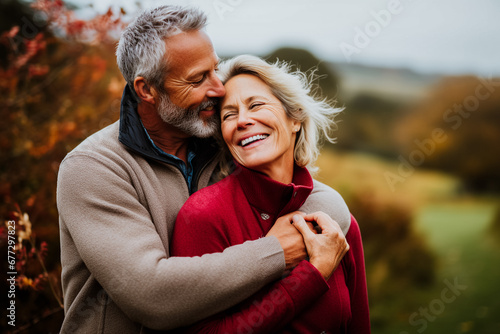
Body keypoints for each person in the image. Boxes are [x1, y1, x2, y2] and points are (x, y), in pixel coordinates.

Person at [56, 5, 351, 333]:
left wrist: (321, 221)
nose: (219, 89)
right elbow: (153, 297)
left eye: (215, 69)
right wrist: (278, 251)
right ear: (147, 90)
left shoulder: (218, 135)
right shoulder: (93, 168)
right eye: (198, 79)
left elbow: (310, 194)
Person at [171, 55, 370, 333]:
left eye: (256, 105)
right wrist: (311, 276)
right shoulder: (203, 215)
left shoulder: (335, 221)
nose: (242, 120)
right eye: (229, 115)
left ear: (295, 119)